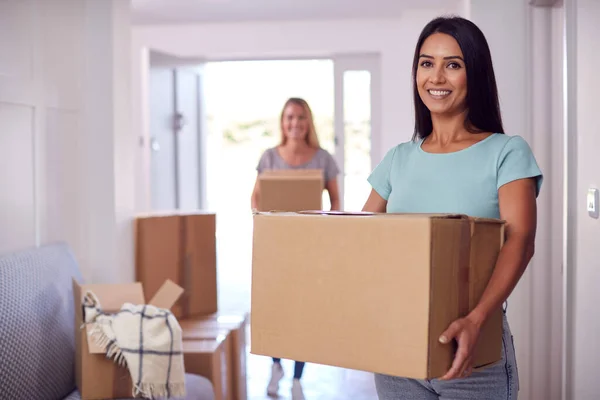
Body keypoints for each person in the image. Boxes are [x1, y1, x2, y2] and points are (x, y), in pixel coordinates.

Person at [362, 16, 542, 400]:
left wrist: (477, 321)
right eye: (427, 63)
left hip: (474, 353)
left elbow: (521, 241)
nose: (436, 77)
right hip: (397, 351)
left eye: (453, 65)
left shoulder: (506, 152)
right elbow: (361, 237)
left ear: (473, 74)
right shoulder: (398, 158)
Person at [251, 97, 341, 399]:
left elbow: (337, 201)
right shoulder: (269, 157)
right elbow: (255, 198)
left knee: (304, 312)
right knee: (277, 309)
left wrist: (326, 228)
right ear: (282, 121)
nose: (295, 123)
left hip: (310, 247)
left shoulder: (323, 158)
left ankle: (298, 378)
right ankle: (276, 365)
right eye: (290, 117)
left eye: (301, 117)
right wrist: (264, 222)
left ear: (309, 121)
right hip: (276, 247)